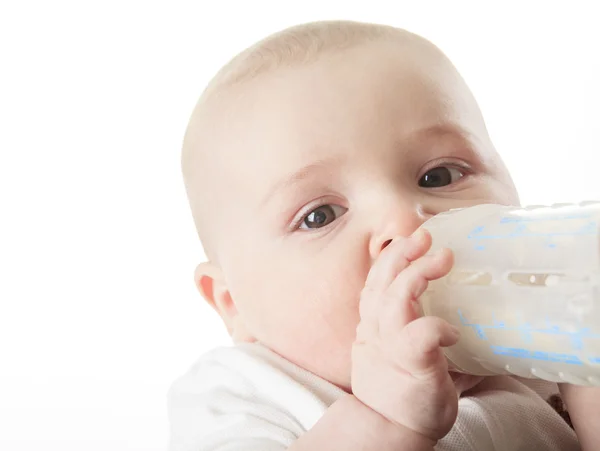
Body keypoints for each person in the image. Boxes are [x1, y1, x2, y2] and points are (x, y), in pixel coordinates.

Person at [168, 20, 599, 450]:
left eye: (439, 175)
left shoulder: (543, 349)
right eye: (320, 216)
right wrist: (384, 422)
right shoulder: (242, 395)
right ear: (233, 304)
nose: (406, 223)